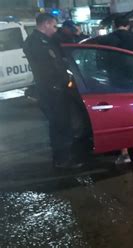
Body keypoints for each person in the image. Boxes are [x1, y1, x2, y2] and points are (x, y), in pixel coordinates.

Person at [23, 13, 82, 169]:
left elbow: (64, 50)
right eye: (54, 26)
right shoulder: (36, 43)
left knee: (61, 124)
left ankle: (62, 157)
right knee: (60, 125)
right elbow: (50, 68)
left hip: (54, 88)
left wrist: (76, 34)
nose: (56, 29)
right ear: (46, 24)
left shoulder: (45, 40)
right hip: (52, 90)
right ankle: (63, 159)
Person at [97, 16, 133, 168]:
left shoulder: (106, 39)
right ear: (128, 25)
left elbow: (100, 63)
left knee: (121, 120)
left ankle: (124, 154)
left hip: (116, 85)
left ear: (114, 25)